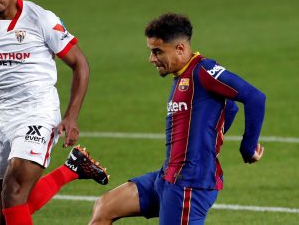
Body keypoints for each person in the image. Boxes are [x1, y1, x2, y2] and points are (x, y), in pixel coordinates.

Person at [88, 13, 266, 225]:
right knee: (104, 207)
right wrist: (212, 135)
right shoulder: (183, 74)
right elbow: (230, 107)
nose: (152, 59)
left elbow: (255, 97)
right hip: (167, 177)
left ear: (180, 48)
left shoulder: (204, 71)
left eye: (157, 52)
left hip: (190, 184)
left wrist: (248, 148)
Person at [0, 0, 108, 224]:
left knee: (14, 190)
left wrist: (71, 116)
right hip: (1, 115)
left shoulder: (40, 19)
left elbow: (79, 64)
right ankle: (71, 169)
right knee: (6, 212)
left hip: (35, 112)